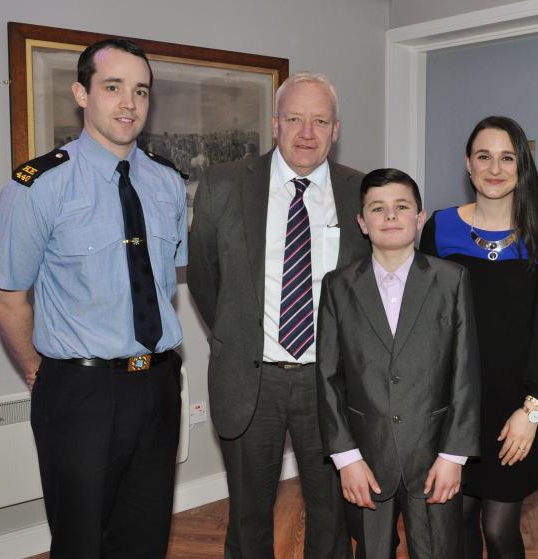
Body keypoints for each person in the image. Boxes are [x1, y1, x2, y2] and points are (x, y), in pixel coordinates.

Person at [0, 38, 188, 558]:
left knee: (145, 537)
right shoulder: (39, 185)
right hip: (81, 391)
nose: (128, 103)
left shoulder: (166, 183)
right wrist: (40, 371)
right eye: (113, 87)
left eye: (140, 91)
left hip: (159, 383)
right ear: (82, 93)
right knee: (80, 541)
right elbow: (6, 294)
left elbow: (163, 285)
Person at [187, 72, 369, 558]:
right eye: (294, 119)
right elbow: (207, 281)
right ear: (274, 124)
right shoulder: (224, 186)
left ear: (335, 129)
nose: (306, 133)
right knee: (248, 515)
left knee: (331, 514)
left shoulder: (360, 192)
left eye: (319, 121)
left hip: (330, 385)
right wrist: (242, 332)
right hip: (252, 379)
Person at [420, 116, 538, 558]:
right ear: (468, 164)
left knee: (499, 527)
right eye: (484, 157)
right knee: (459, 521)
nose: (494, 168)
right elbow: (429, 323)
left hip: (516, 409)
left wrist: (532, 411)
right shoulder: (440, 228)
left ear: (522, 166)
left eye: (507, 157)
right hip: (453, 403)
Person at [317, 168, 480, 558]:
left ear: (419, 218)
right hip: (366, 459)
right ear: (362, 222)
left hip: (434, 456)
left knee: (438, 550)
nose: (390, 216)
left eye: (401, 206)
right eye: (378, 208)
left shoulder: (452, 280)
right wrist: (346, 458)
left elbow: (466, 373)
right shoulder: (337, 287)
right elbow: (328, 376)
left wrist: (453, 455)